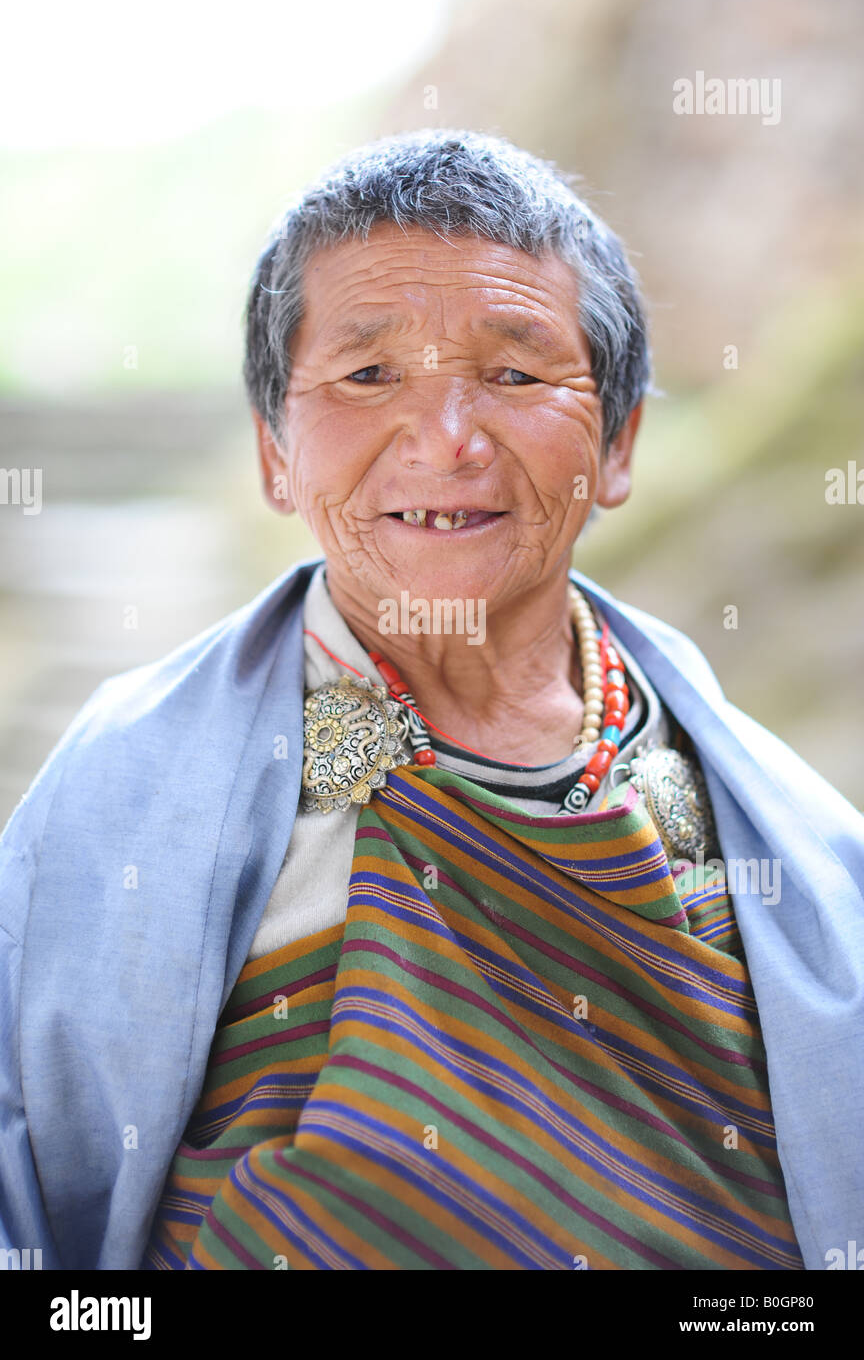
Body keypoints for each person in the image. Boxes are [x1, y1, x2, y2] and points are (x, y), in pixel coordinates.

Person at [1, 130, 862, 1272]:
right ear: (274, 452)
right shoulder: (125, 787)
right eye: (367, 375)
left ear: (617, 444)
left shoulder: (795, 842)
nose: (448, 439)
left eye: (515, 373)